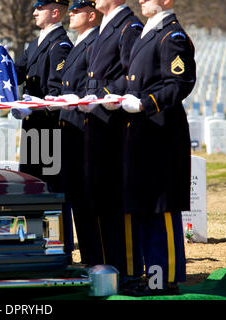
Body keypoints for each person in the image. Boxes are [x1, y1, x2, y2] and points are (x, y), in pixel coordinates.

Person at [115, 0, 196, 296]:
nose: (141, 1)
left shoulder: (171, 36)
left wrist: (146, 103)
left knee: (161, 207)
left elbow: (180, 82)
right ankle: (151, 273)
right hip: (142, 131)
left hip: (161, 131)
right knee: (145, 205)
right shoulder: (149, 33)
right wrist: (121, 99)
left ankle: (165, 277)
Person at [80, 0, 144, 287]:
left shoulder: (128, 26)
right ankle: (106, 266)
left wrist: (104, 96)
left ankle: (125, 270)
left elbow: (132, 74)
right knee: (101, 199)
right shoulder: (108, 25)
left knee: (115, 201)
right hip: (98, 122)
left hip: (113, 125)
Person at [12, 0, 72, 257]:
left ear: (55, 12)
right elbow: (18, 73)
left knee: (52, 191)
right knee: (33, 187)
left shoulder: (60, 45)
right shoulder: (36, 44)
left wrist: (34, 107)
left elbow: (57, 92)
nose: (34, 12)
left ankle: (59, 248)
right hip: (33, 129)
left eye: (40, 8)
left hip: (49, 130)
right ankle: (36, 244)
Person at [56, 0, 103, 265]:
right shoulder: (79, 42)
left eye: (77, 11)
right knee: (76, 196)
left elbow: (93, 82)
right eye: (71, 10)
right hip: (70, 129)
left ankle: (94, 258)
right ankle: (87, 257)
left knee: (86, 200)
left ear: (91, 14)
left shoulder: (94, 42)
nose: (71, 14)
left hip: (83, 130)